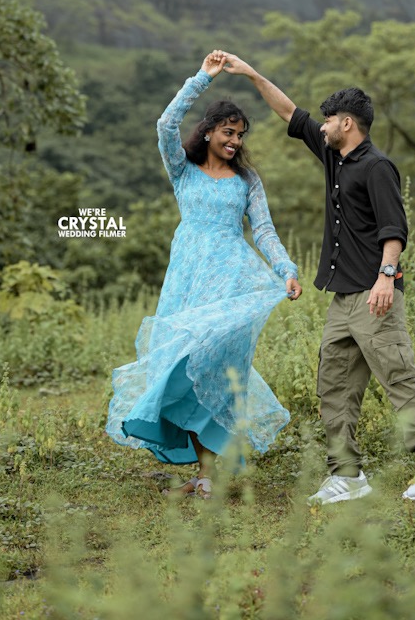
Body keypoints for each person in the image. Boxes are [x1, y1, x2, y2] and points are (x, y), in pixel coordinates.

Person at [220, 52, 415, 504]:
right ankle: (348, 475)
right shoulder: (335, 158)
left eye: (329, 120)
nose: (324, 126)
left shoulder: (376, 167)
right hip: (343, 298)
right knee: (334, 385)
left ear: (347, 123)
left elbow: (395, 229)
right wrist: (250, 73)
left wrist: (386, 278)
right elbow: (291, 114)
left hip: (374, 293)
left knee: (398, 375)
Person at [106, 51, 301, 500]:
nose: (235, 141)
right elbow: (164, 125)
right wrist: (202, 78)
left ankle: (208, 476)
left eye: (240, 135)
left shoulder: (246, 181)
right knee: (181, 365)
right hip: (187, 282)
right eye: (228, 132)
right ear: (209, 131)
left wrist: (286, 269)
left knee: (216, 369)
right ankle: (202, 471)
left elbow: (264, 231)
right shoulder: (183, 171)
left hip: (231, 283)